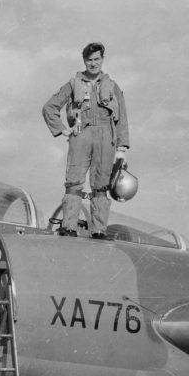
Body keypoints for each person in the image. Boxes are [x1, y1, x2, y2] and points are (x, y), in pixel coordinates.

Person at [42, 42, 129, 238]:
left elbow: (122, 118)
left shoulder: (113, 86)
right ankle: (69, 227)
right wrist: (62, 130)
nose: (93, 64)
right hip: (81, 134)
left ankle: (99, 230)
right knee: (74, 183)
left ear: (102, 60)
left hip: (106, 136)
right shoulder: (73, 84)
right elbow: (49, 107)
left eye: (96, 59)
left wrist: (122, 148)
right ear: (84, 61)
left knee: (101, 186)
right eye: (89, 60)